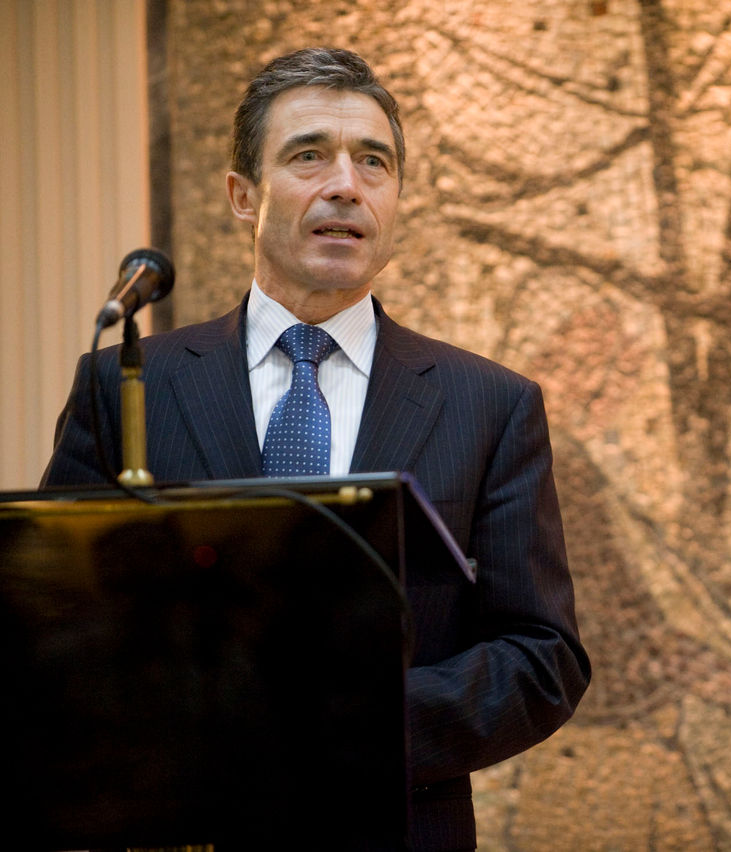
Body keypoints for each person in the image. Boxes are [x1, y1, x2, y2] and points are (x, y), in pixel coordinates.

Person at [42, 47, 590, 850]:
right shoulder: (126, 384)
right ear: (242, 195)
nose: (346, 184)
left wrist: (350, 721)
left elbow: (542, 659)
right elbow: (51, 631)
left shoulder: (490, 405)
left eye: (375, 162)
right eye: (309, 156)